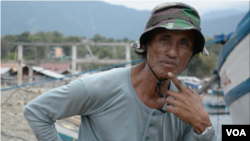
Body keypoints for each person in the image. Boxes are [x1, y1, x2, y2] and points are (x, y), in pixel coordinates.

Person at [24, 2, 218, 141]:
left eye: (184, 43)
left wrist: (204, 126)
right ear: (145, 43)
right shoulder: (101, 87)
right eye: (164, 39)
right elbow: (37, 111)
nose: (173, 52)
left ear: (192, 53)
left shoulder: (186, 106)